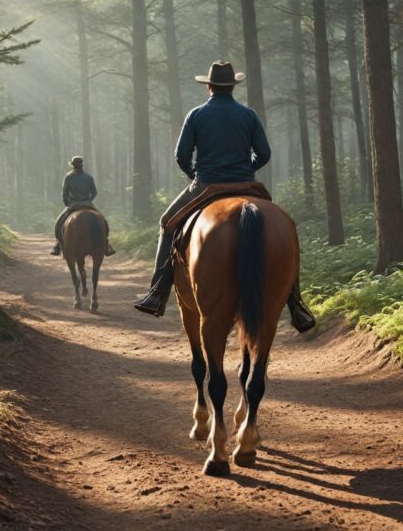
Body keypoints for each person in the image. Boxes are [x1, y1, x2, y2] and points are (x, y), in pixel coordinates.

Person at [133, 61, 314, 330]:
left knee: (167, 223)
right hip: (246, 185)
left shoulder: (196, 115)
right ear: (232, 86)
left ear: (209, 86)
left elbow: (181, 156)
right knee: (285, 226)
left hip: (206, 184)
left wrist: (195, 173)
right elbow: (264, 153)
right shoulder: (249, 115)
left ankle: (157, 292)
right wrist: (245, 169)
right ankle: (296, 303)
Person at [51, 155, 115, 257]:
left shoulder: (68, 177)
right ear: (82, 165)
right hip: (88, 204)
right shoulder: (88, 177)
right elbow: (94, 192)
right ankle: (106, 244)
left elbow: (64, 194)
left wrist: (67, 204)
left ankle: (58, 245)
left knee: (59, 223)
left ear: (73, 166)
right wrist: (88, 200)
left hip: (73, 205)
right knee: (104, 221)